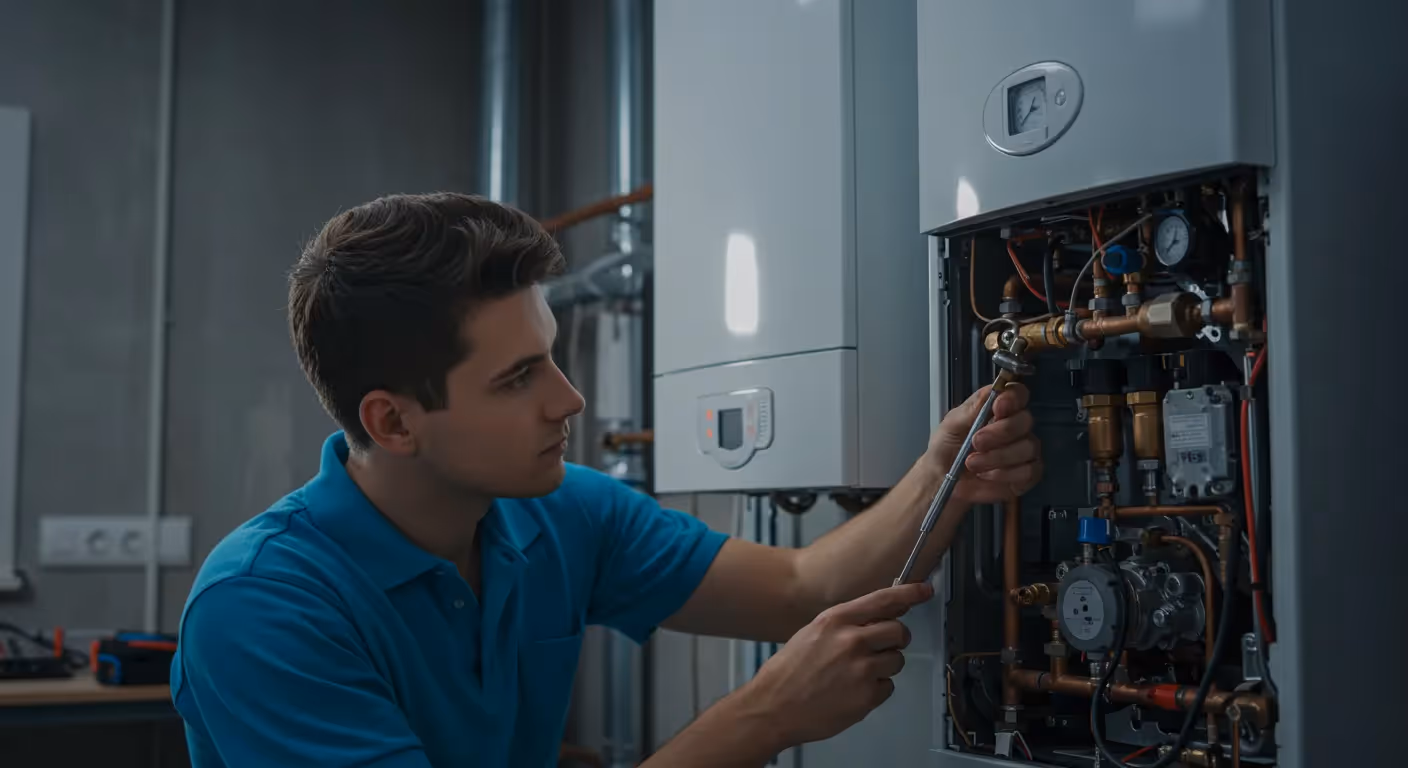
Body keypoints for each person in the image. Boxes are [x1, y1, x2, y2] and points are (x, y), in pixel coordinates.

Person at [171, 193, 1041, 768]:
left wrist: (945, 473)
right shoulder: (263, 609)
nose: (570, 399)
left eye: (551, 357)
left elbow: (797, 589)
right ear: (392, 421)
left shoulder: (561, 512)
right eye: (517, 379)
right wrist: (763, 717)